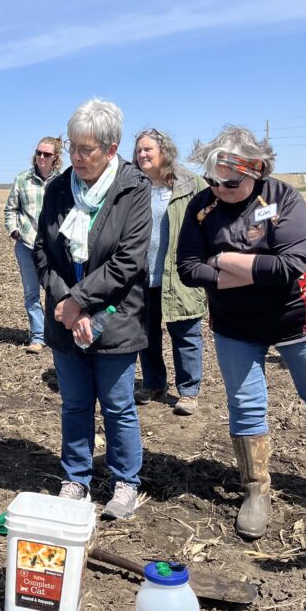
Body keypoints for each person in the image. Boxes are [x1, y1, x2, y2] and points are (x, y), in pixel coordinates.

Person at [177, 126, 306, 539]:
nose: (219, 188)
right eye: (212, 180)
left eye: (230, 181)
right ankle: (256, 490)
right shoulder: (202, 208)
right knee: (244, 403)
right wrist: (245, 272)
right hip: (235, 325)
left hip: (296, 319)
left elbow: (289, 266)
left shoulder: (283, 199)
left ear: (256, 168)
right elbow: (188, 267)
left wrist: (220, 258)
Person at [34, 99, 151, 518]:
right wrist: (67, 302)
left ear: (111, 147)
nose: (77, 158)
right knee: (75, 403)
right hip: (67, 315)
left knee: (118, 404)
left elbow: (128, 261)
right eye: (73, 147)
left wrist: (81, 302)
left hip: (116, 316)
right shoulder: (59, 188)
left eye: (87, 150)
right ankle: (76, 479)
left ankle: (124, 482)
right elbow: (43, 252)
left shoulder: (133, 190)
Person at [133, 128, 207, 415]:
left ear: (164, 151)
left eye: (148, 149)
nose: (142, 154)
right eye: (139, 150)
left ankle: (188, 391)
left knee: (185, 332)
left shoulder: (191, 184)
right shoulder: (134, 185)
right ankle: (153, 384)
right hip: (142, 274)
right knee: (146, 334)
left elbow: (210, 223)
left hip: (181, 273)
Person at [4, 136, 63, 352]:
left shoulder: (63, 180)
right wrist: (15, 231)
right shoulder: (22, 179)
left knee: (55, 291)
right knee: (31, 293)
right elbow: (10, 209)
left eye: (47, 154)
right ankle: (38, 337)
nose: (41, 157)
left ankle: (56, 335)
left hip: (55, 248)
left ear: (55, 158)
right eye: (39, 152)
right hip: (27, 245)